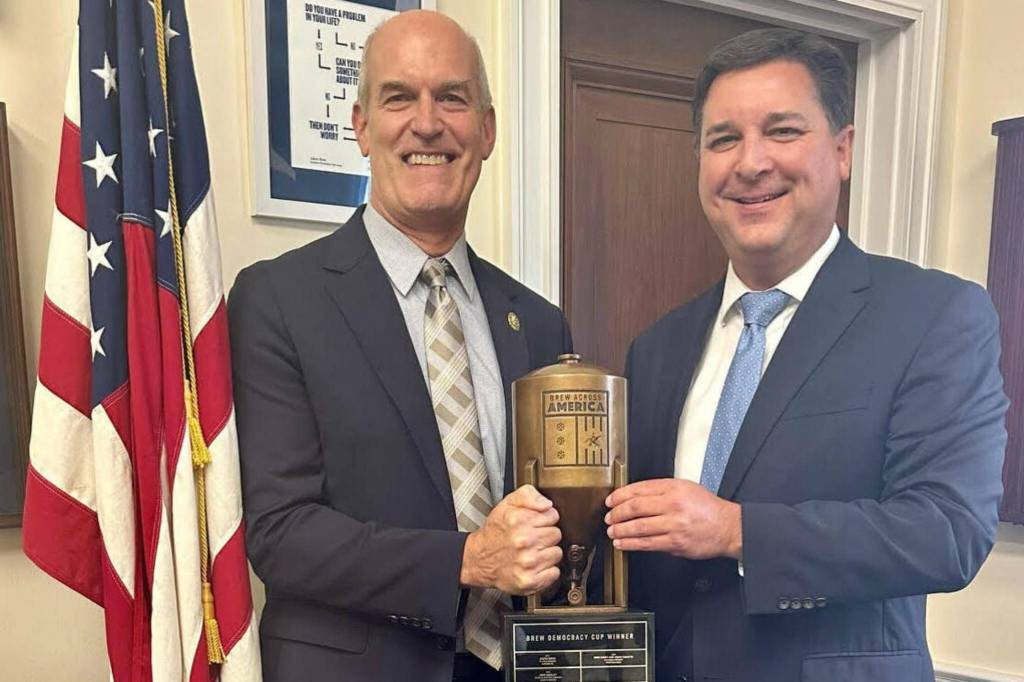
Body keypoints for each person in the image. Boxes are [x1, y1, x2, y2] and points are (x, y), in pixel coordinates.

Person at [605, 28, 1007, 682]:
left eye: (783, 131)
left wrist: (738, 531)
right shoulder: (656, 347)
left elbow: (948, 533)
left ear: (842, 151)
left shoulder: (933, 316)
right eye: (724, 139)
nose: (750, 162)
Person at [228, 11, 571, 682]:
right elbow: (280, 532)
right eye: (399, 97)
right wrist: (469, 559)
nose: (427, 123)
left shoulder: (539, 323)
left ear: (487, 130)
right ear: (361, 126)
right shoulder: (277, 300)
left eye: (452, 97)